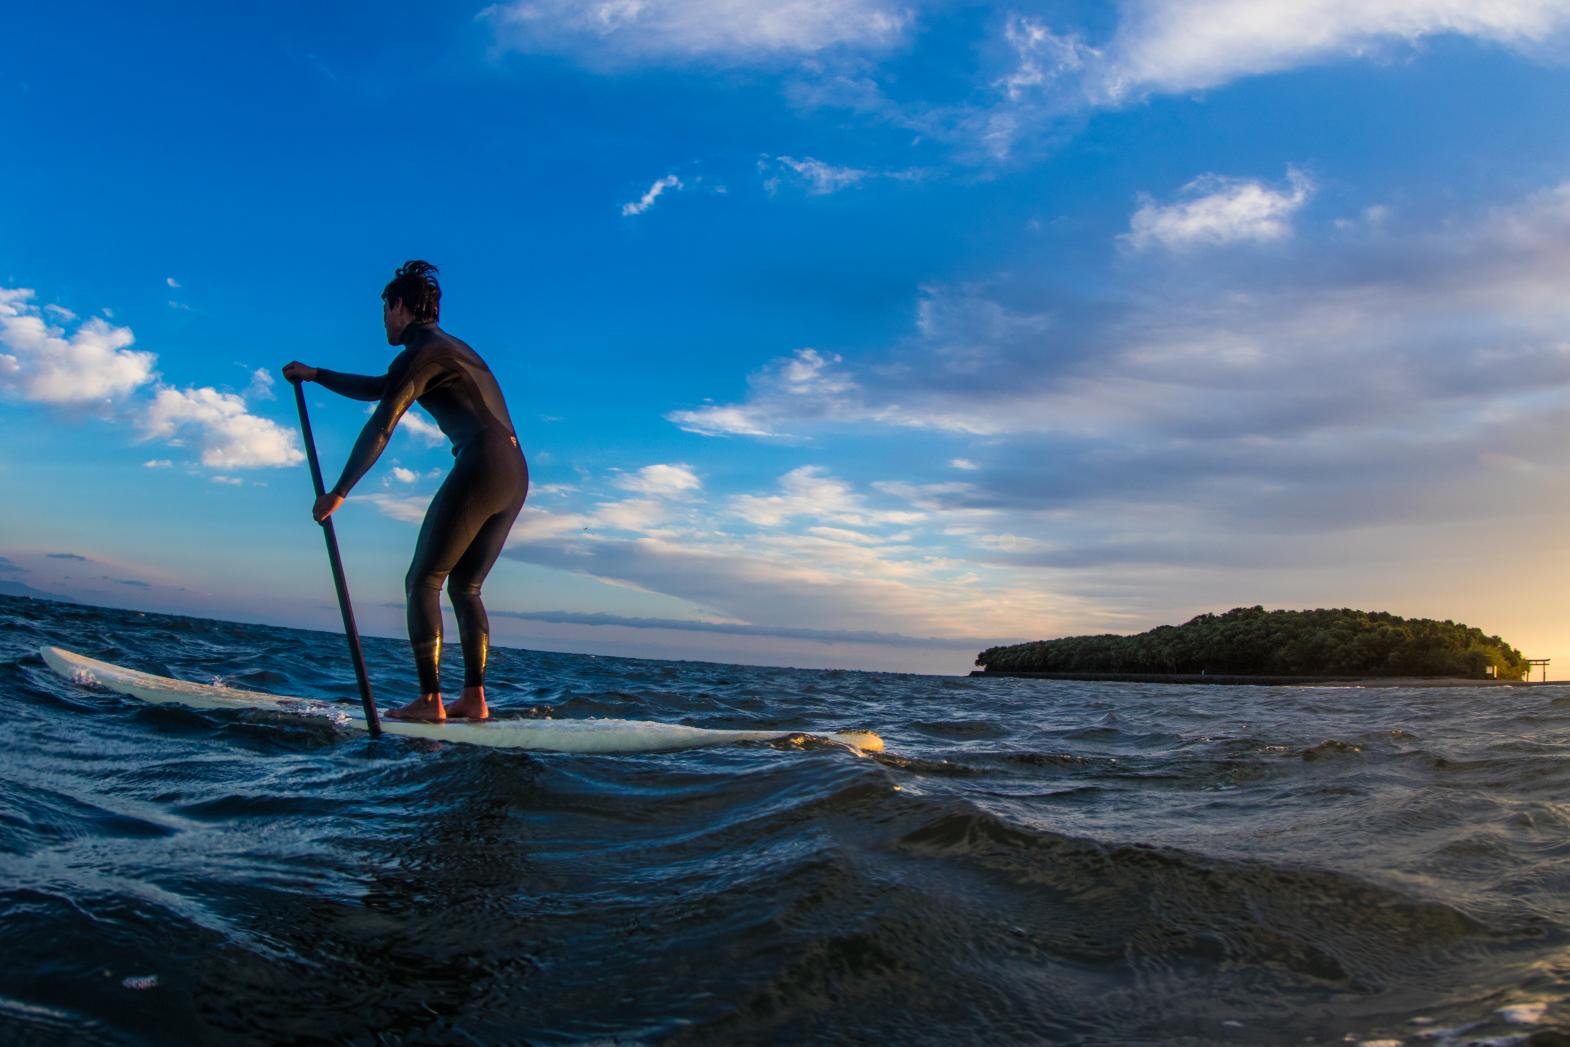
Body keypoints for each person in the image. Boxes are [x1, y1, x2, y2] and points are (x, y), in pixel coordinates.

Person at [283, 261, 527, 722]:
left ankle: (430, 700)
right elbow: (382, 389)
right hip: (514, 471)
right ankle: (474, 699)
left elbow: (383, 423)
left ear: (399, 306)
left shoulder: (423, 353)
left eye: (384, 311)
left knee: (423, 581)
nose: (382, 322)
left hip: (482, 465)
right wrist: (316, 374)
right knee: (466, 587)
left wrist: (339, 491)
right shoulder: (448, 348)